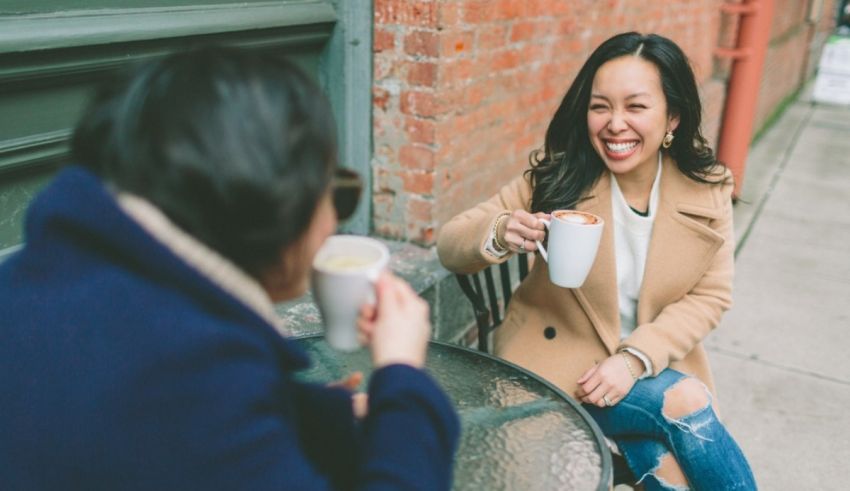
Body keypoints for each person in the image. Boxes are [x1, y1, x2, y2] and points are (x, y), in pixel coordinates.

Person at [0, 46, 458, 490]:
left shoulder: (39, 284)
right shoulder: (197, 369)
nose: (337, 220)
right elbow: (191, 412)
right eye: (336, 193)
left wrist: (300, 413)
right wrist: (404, 379)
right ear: (271, 203)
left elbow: (151, 435)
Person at [438, 32, 755, 490]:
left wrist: (634, 360)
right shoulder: (559, 175)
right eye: (600, 105)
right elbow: (450, 245)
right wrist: (500, 230)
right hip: (558, 365)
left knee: (669, 466)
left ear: (673, 118)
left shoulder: (708, 188)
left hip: (650, 366)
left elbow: (711, 296)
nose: (614, 124)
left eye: (636, 107)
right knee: (685, 400)